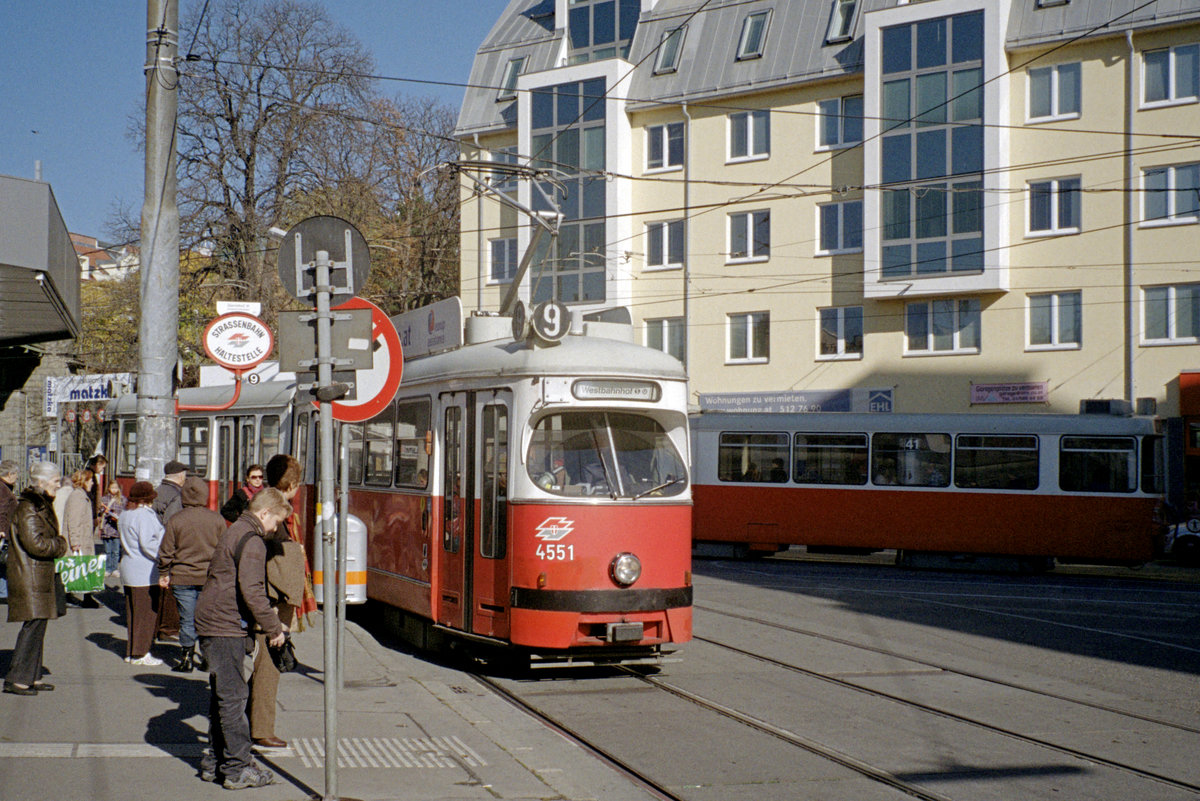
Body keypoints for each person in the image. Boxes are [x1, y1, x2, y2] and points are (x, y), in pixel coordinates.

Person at [195, 488, 292, 789]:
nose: (276, 528)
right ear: (264, 514)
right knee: (234, 699)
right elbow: (252, 590)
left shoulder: (237, 529)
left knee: (222, 697)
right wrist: (274, 627)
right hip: (225, 625)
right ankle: (237, 768)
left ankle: (216, 762)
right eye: (276, 521)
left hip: (215, 621)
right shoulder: (253, 541)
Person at [247, 454, 313, 749]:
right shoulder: (279, 516)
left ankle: (252, 719)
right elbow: (281, 566)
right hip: (271, 605)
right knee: (268, 667)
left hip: (266, 601)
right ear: (292, 484)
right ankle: (261, 727)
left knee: (262, 666)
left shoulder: (264, 504)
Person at [4, 461, 69, 695]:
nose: (58, 485)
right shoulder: (29, 507)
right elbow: (37, 545)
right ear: (41, 482)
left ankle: (32, 675)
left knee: (38, 625)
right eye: (55, 481)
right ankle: (18, 679)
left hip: (37, 574)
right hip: (31, 575)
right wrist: (61, 544)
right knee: (33, 627)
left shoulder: (37, 504)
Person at [158, 475, 224, 672]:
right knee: (207, 619)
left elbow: (166, 551)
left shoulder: (176, 520)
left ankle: (186, 658)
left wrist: (164, 572)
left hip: (182, 577)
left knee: (187, 619)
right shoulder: (217, 519)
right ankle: (207, 658)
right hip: (209, 578)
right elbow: (224, 550)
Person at [119, 481, 165, 666]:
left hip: (129, 567)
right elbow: (148, 543)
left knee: (133, 614)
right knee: (146, 615)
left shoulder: (125, 514)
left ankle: (132, 651)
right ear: (146, 500)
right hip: (145, 570)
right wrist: (162, 557)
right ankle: (141, 653)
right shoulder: (145, 516)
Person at [62, 468, 100, 608]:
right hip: (80, 540)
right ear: (84, 481)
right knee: (76, 567)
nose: (92, 484)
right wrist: (75, 542)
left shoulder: (81, 495)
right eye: (90, 481)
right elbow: (74, 520)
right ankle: (68, 597)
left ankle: (87, 597)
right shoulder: (77, 496)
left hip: (84, 538)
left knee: (86, 567)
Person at [0, 459, 19, 602]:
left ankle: (4, 591)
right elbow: (2, 510)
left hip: (6, 530)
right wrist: (1, 529)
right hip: (4, 532)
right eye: (16, 474)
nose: (17, 477)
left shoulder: (5, 487)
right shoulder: (2, 488)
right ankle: (3, 592)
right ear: (10, 474)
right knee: (3, 561)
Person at [98, 481, 125, 576]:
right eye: (112, 487)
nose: (114, 490)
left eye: (116, 488)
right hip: (106, 527)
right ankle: (108, 568)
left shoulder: (122, 499)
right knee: (107, 550)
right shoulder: (104, 499)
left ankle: (114, 568)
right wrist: (103, 511)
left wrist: (118, 516)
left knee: (116, 551)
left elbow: (124, 512)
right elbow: (99, 512)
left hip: (117, 528)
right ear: (108, 488)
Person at [153, 460, 188, 524]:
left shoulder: (156, 491)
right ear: (181, 477)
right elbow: (172, 521)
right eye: (185, 476)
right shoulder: (177, 496)